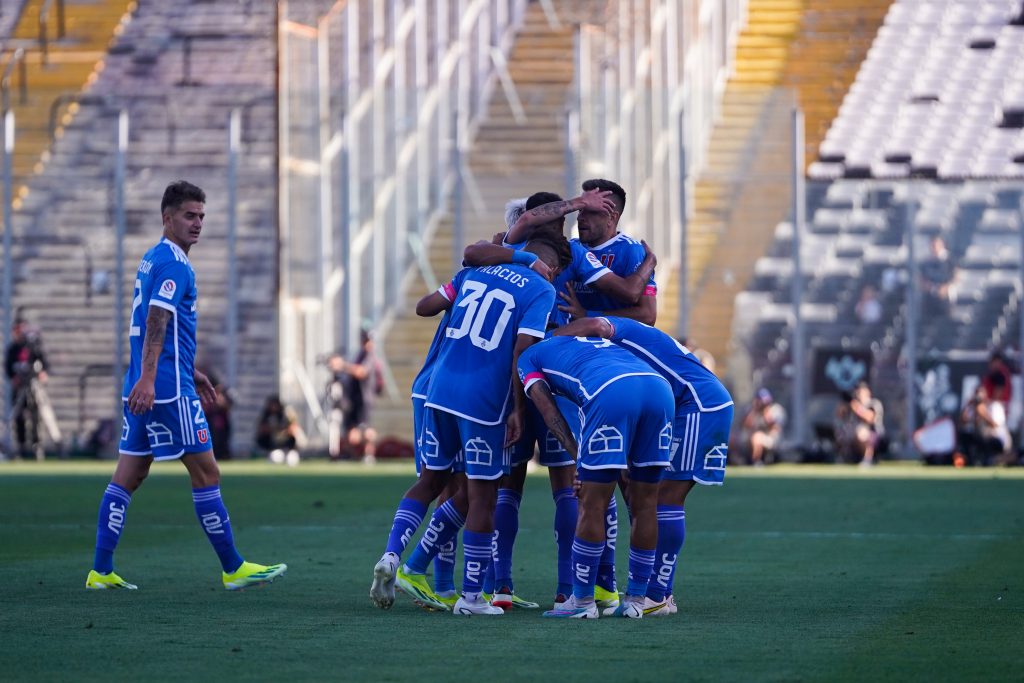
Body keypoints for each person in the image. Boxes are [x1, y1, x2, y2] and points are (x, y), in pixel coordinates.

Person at [461, 189, 657, 611]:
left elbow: (487, 245)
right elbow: (629, 292)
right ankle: (570, 587)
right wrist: (647, 264)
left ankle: (502, 587)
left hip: (512, 374)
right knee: (566, 488)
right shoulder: (572, 256)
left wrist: (572, 203)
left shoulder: (509, 248)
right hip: (558, 371)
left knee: (506, 488)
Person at [85, 180, 285, 591]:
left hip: (150, 382)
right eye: (189, 216)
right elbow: (157, 319)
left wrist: (185, 368)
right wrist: (153, 376)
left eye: (201, 217)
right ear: (168, 218)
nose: (197, 224)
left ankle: (100, 571)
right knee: (207, 472)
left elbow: (156, 326)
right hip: (164, 390)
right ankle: (233, 567)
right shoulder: (176, 265)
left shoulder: (153, 258)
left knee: (129, 474)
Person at [369, 235, 567, 616]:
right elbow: (522, 350)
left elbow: (425, 306)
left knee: (431, 481)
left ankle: (393, 554)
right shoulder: (542, 291)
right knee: (482, 496)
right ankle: (473, 598)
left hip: (439, 390)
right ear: (553, 268)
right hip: (483, 402)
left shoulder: (473, 273)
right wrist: (518, 410)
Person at [553, 316, 733, 617]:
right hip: (688, 405)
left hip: (699, 405)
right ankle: (658, 593)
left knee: (665, 498)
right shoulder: (623, 344)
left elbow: (599, 325)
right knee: (650, 497)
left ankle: (657, 594)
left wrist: (553, 339)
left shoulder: (611, 329)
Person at [518, 334, 674, 619]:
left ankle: (582, 602)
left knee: (592, 502)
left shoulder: (529, 356)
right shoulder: (586, 342)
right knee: (645, 502)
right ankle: (637, 601)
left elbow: (548, 411)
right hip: (659, 389)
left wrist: (579, 457)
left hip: (610, 391)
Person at [4, 316, 50, 460]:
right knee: (18, 417)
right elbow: (8, 368)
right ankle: (21, 447)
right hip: (19, 388)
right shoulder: (12, 349)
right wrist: (14, 378)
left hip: (34, 387)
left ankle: (37, 446)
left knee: (36, 415)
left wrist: (42, 373)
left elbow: (43, 362)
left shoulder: (32, 346)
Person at [340, 329, 384, 464]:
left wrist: (342, 365)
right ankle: (351, 454)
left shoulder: (370, 356)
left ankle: (368, 454)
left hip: (364, 398)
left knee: (364, 429)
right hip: (356, 398)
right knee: (354, 428)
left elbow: (361, 372)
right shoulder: (361, 354)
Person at [956, 384, 1012, 467]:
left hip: (996, 440)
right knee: (965, 436)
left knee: (985, 437)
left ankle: (991, 460)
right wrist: (968, 405)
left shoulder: (994, 406)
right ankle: (969, 460)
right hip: (979, 438)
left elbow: (995, 425)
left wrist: (983, 414)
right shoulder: (972, 408)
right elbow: (963, 422)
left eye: (981, 394)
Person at [833, 382, 884, 467]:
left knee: (861, 433)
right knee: (842, 433)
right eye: (857, 391)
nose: (858, 393)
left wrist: (857, 408)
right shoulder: (854, 403)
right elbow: (839, 416)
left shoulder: (874, 403)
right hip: (855, 437)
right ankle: (844, 458)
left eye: (861, 391)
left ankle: (867, 459)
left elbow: (870, 418)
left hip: (875, 436)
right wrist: (844, 406)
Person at [739, 388, 786, 466]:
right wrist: (755, 410)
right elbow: (745, 425)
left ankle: (756, 461)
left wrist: (765, 410)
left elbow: (774, 427)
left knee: (757, 437)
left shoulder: (776, 409)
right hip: (752, 440)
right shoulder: (752, 410)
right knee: (735, 438)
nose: (762, 404)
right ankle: (736, 460)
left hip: (772, 439)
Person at [255, 394, 302, 466]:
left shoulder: (285, 415)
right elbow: (261, 430)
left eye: (274, 405)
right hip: (275, 448)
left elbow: (294, 429)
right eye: (271, 405)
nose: (273, 407)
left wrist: (284, 432)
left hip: (288, 447)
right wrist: (272, 429)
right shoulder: (266, 416)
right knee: (275, 457)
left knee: (291, 459)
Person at [920, 236, 957, 316]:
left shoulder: (949, 260)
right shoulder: (926, 262)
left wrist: (945, 287)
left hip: (945, 296)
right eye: (932, 245)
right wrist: (930, 287)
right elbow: (922, 279)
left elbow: (955, 276)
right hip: (930, 296)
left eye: (936, 245)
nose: (934, 247)